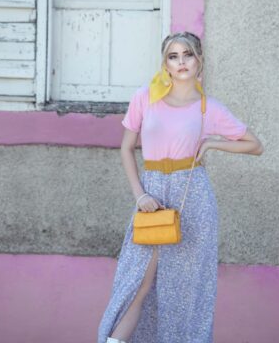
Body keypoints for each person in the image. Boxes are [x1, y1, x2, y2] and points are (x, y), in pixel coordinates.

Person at [98, 31, 264, 343]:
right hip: (152, 197)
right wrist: (140, 195)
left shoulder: (208, 108)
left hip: (193, 199)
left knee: (186, 290)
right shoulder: (145, 97)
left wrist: (213, 144)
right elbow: (126, 149)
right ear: (166, 64)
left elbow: (255, 145)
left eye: (187, 55)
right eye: (173, 57)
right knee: (137, 281)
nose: (181, 62)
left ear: (199, 60)